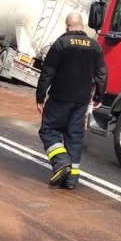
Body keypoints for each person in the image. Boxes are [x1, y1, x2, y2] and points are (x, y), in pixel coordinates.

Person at [36, 12, 107, 190]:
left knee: (49, 129)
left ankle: (61, 163)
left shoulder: (61, 43)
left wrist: (40, 96)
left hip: (60, 97)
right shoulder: (94, 46)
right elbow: (102, 74)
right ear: (82, 26)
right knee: (74, 137)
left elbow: (48, 72)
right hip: (82, 100)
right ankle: (71, 180)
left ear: (67, 25)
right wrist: (98, 96)